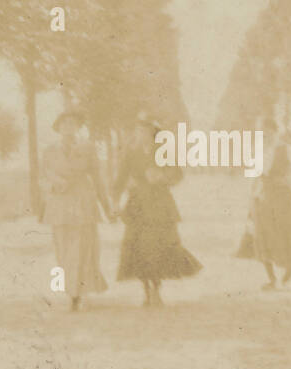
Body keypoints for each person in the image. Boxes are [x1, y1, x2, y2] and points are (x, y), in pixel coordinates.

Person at [113, 117, 202, 307]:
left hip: (160, 205)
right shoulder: (131, 153)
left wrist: (162, 176)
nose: (143, 134)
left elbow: (177, 174)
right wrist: (115, 202)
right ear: (136, 132)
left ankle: (156, 288)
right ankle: (146, 291)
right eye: (139, 130)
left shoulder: (164, 151)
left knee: (159, 247)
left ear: (154, 132)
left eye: (146, 130)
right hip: (137, 206)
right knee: (139, 248)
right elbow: (120, 179)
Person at [40, 108, 112, 312]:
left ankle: (79, 293)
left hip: (82, 201)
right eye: (64, 124)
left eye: (72, 124)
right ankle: (72, 291)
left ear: (78, 127)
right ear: (58, 128)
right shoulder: (49, 151)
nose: (68, 128)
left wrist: (106, 207)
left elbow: (97, 177)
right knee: (63, 250)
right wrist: (54, 183)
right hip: (60, 204)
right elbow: (42, 176)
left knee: (83, 249)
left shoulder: (88, 148)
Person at [248, 140, 291, 289]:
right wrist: (253, 194)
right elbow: (254, 175)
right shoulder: (257, 149)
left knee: (286, 231)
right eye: (262, 131)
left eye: (268, 131)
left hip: (282, 195)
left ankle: (289, 271)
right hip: (263, 195)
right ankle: (271, 278)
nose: (265, 134)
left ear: (274, 131)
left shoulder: (284, 148)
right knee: (264, 234)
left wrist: (288, 175)